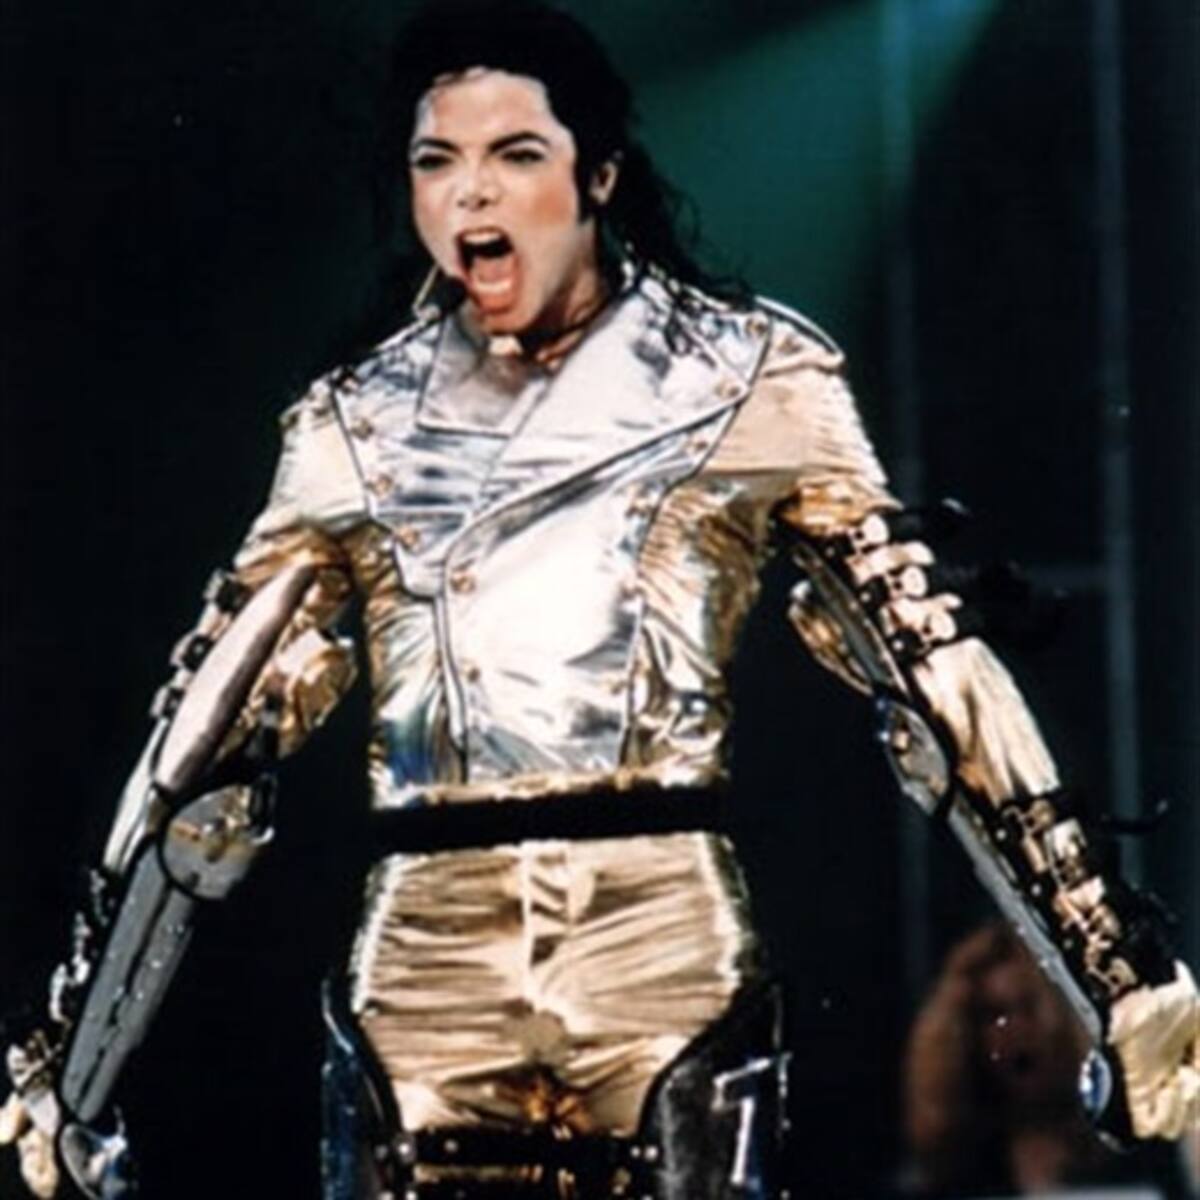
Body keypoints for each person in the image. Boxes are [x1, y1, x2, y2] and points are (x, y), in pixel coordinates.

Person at [2, 2, 1198, 1198]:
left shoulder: (748, 375)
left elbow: (926, 664)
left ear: (599, 175)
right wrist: (72, 1062)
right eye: (437, 160)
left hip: (659, 945)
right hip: (427, 965)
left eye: (515, 153)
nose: (472, 192)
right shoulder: (353, 428)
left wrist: (1118, 975)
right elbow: (206, 743)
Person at [903, 922, 1191, 1198]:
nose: (1014, 1030)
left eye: (1027, 1008)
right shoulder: (957, 1169)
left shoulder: (1135, 1151)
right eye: (993, 1014)